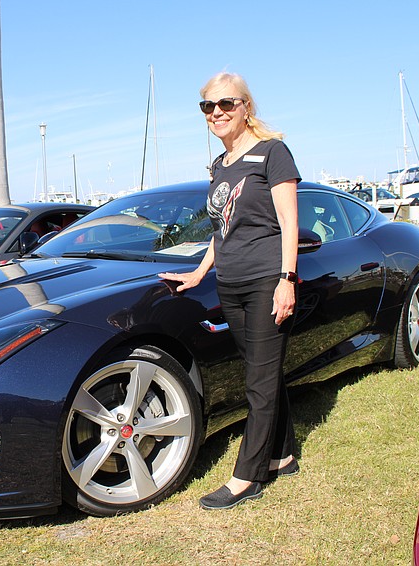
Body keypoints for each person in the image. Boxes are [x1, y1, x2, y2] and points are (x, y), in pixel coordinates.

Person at [159, 72, 301, 510]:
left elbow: (289, 224)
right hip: (231, 283)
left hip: (265, 280)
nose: (217, 113)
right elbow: (222, 230)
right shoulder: (220, 166)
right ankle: (285, 452)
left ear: (245, 107)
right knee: (263, 370)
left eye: (226, 104)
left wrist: (287, 281)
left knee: (258, 381)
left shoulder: (273, 153)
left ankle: (247, 477)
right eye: (208, 107)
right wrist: (200, 273)